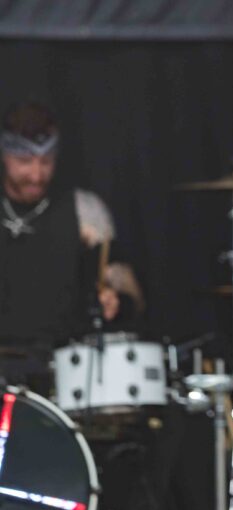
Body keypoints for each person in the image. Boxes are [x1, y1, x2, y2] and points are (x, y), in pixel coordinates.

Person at [0, 101, 144, 392]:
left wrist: (117, 302)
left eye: (46, 162)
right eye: (25, 162)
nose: (37, 174)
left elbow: (132, 296)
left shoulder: (85, 210)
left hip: (63, 372)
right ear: (5, 155)